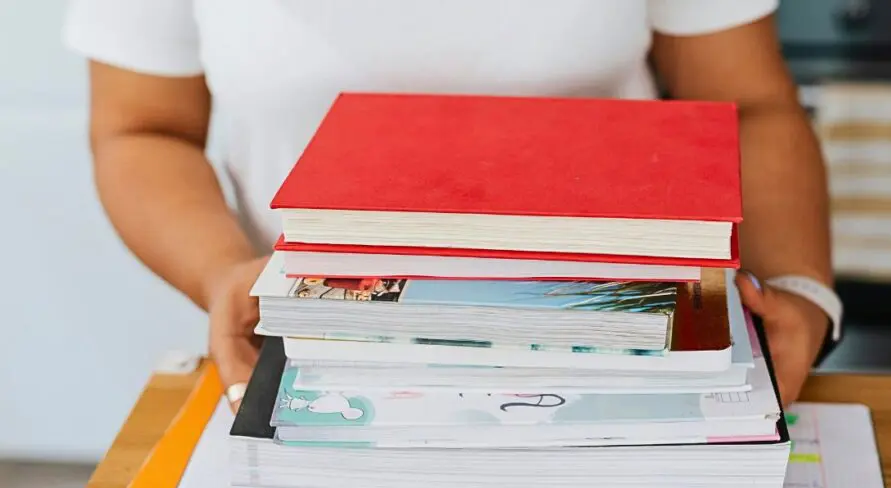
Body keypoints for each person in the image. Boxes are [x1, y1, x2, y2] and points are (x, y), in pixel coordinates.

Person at [64, 0, 840, 411]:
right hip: (311, 352)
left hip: (634, 345)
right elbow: (143, 129)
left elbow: (748, 104)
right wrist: (221, 271)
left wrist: (799, 287)